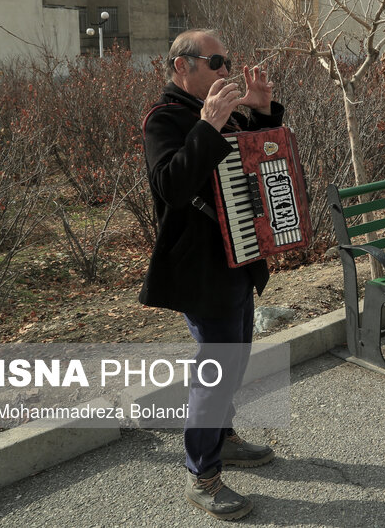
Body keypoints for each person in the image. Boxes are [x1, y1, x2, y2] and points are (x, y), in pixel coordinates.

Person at [140, 29, 281, 520]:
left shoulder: (222, 114)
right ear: (183, 66)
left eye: (227, 61)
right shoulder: (165, 119)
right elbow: (171, 187)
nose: (226, 70)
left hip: (239, 256)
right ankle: (203, 474)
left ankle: (222, 436)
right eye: (216, 61)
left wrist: (261, 111)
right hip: (201, 269)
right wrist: (206, 126)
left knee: (236, 360)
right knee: (215, 371)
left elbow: (264, 158)